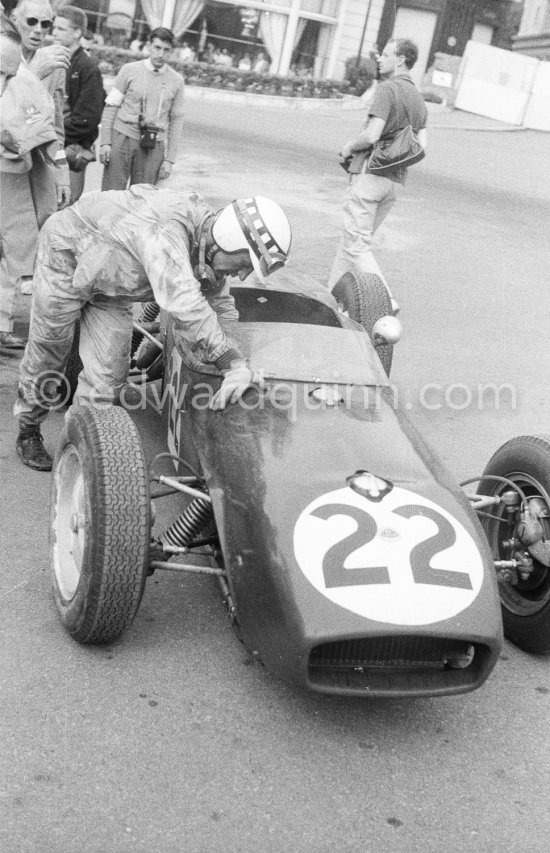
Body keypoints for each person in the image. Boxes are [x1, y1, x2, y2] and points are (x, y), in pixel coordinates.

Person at [14, 188, 292, 470]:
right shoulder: (168, 226)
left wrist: (240, 361)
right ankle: (28, 428)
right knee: (49, 350)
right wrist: (230, 362)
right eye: (245, 264)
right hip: (67, 255)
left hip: (111, 285)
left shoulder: (209, 249)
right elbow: (185, 302)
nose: (243, 275)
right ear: (230, 241)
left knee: (108, 376)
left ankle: (78, 445)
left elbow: (220, 308)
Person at [328, 38, 428, 310]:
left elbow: (372, 134)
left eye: (385, 54)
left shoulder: (388, 89)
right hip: (394, 183)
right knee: (351, 243)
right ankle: (330, 298)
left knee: (356, 245)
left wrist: (349, 146)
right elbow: (423, 145)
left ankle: (385, 300)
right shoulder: (419, 100)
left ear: (401, 60)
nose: (379, 58)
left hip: (369, 176)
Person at [0, 1, 70, 349]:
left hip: (29, 166)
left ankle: (2, 324)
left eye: (47, 23)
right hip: (5, 161)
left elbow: (55, 126)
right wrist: (30, 72)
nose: (40, 29)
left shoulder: (52, 64)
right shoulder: (14, 55)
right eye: (31, 21)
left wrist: (61, 174)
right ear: (11, 19)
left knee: (16, 245)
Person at [99, 27, 185, 190]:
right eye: (157, 48)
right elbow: (111, 106)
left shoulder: (177, 81)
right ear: (148, 46)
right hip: (123, 137)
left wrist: (169, 160)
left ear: (172, 52)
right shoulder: (129, 70)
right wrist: (105, 142)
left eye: (166, 50)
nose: (161, 54)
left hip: (153, 144)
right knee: (111, 194)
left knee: (143, 199)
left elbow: (176, 121)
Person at [52, 5, 104, 202]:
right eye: (54, 27)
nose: (54, 33)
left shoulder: (88, 68)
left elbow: (87, 118)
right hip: (52, 146)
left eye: (61, 29)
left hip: (70, 151)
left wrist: (54, 137)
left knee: (64, 207)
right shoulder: (51, 58)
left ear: (77, 33)